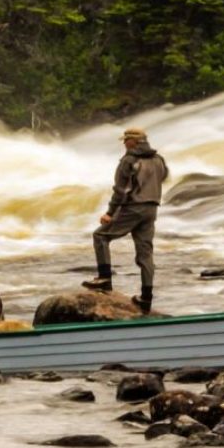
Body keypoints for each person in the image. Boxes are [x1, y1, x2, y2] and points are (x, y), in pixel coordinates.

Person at [82, 127, 169, 313]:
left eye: (125, 140)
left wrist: (110, 213)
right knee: (145, 254)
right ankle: (146, 298)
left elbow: (120, 190)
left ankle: (104, 280)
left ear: (133, 142)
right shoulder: (159, 160)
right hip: (152, 209)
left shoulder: (129, 161)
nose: (123, 144)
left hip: (133, 208)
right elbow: (163, 177)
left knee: (100, 236)